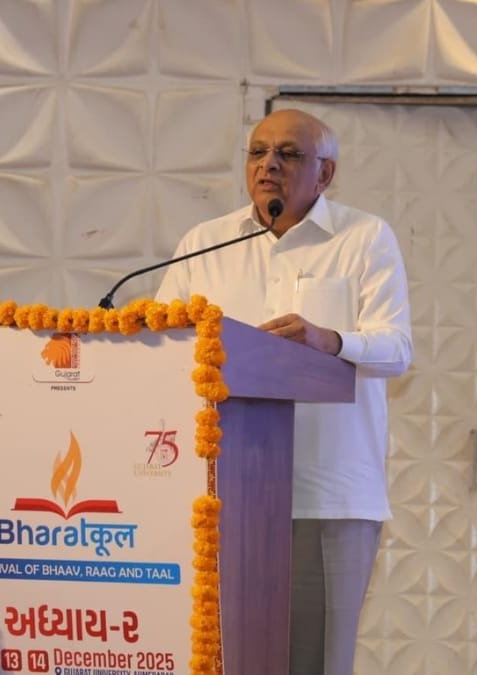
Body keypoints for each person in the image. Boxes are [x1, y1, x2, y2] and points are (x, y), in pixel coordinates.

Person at [155, 109, 413, 674]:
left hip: (326, 495)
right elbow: (163, 341)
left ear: (326, 173)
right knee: (222, 658)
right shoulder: (205, 243)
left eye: (289, 154)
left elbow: (397, 349)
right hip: (221, 495)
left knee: (314, 663)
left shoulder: (364, 238)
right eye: (258, 152)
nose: (268, 164)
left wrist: (330, 339)